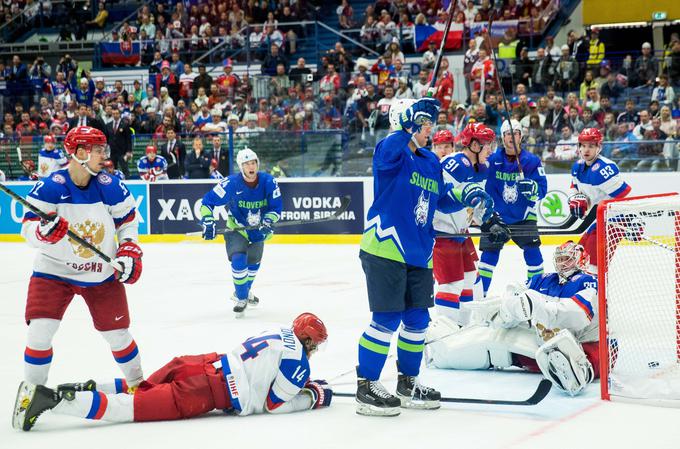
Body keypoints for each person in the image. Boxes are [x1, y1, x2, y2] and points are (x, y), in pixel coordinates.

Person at [355, 98, 499, 417]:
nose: (430, 130)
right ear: (408, 122)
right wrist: (404, 127)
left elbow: (442, 199)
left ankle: (408, 382)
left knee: (417, 320)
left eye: (429, 125)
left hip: (420, 252)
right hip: (386, 247)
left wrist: (468, 194)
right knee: (387, 319)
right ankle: (366, 386)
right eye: (425, 124)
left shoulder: (431, 161)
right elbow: (389, 150)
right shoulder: (391, 151)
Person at [13, 313, 332, 431]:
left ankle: (87, 386)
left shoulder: (279, 330)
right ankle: (54, 399)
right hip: (209, 390)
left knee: (140, 386)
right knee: (134, 408)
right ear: (309, 340)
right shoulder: (298, 362)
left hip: (199, 363)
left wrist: (298, 384)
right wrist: (311, 395)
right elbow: (275, 404)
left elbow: (264, 369)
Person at [18, 126, 144, 392]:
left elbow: (128, 223)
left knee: (117, 334)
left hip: (100, 272)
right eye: (98, 150)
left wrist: (129, 250)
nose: (104, 155)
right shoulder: (51, 187)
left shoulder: (110, 186)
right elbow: (28, 231)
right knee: (39, 332)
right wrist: (44, 233)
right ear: (79, 152)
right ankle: (31, 394)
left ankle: (138, 385)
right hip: (53, 270)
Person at [426, 241, 599, 397]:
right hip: (544, 341)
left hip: (586, 344)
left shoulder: (588, 281)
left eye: (568, 259)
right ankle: (442, 348)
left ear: (581, 260)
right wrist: (505, 310)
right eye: (560, 259)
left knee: (562, 346)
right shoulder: (544, 279)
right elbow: (515, 291)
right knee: (495, 339)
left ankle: (581, 371)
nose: (562, 263)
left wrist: (535, 304)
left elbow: (577, 316)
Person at [433, 124, 505, 324]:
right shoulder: (453, 165)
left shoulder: (481, 168)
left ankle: (463, 329)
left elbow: (476, 203)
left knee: (471, 280)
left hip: (461, 233)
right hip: (441, 233)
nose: (491, 149)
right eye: (486, 144)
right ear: (473, 145)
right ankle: (445, 331)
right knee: (451, 284)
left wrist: (489, 220)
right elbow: (437, 199)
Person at [199, 148, 282, 316]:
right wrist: (208, 220)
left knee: (253, 264)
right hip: (235, 227)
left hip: (259, 229)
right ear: (240, 167)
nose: (251, 167)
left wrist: (268, 221)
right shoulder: (231, 183)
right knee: (238, 259)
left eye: (253, 163)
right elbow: (207, 202)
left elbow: (275, 207)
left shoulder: (269, 182)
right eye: (246, 164)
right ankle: (242, 297)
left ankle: (243, 290)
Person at [479, 119, 548, 297]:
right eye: (508, 133)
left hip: (524, 217)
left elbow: (542, 190)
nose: (512, 136)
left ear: (521, 136)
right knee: (488, 257)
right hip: (496, 218)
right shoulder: (492, 160)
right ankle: (480, 295)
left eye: (515, 133)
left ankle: (535, 293)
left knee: (534, 255)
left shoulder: (532, 161)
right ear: (503, 137)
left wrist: (533, 189)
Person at [568, 128, 631, 268]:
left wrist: (633, 218)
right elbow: (574, 186)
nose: (586, 150)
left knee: (593, 264)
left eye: (591, 146)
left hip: (614, 220)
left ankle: (594, 289)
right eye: (583, 145)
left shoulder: (604, 168)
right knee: (579, 256)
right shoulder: (577, 166)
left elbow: (625, 195)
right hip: (599, 219)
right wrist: (574, 198)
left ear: (599, 147)